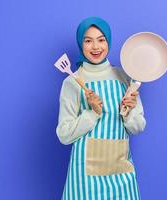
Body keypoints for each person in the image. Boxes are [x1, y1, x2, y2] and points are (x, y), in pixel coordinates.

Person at [56, 16, 146, 199]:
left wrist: (128, 114)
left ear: (109, 41)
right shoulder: (72, 82)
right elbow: (64, 135)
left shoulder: (125, 77)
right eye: (88, 40)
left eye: (101, 40)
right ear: (81, 44)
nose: (96, 47)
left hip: (121, 174)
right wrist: (92, 113)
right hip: (85, 178)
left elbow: (138, 127)